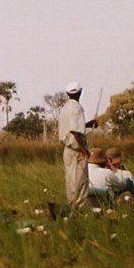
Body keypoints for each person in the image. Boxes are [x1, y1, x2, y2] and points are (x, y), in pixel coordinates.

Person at [57, 81, 98, 209]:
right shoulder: (77, 107)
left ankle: (72, 207)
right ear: (81, 92)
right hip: (76, 151)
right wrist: (83, 150)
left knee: (71, 182)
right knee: (80, 182)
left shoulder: (65, 108)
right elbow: (75, 131)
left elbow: (72, 127)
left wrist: (87, 124)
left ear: (67, 94)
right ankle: (78, 210)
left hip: (67, 150)